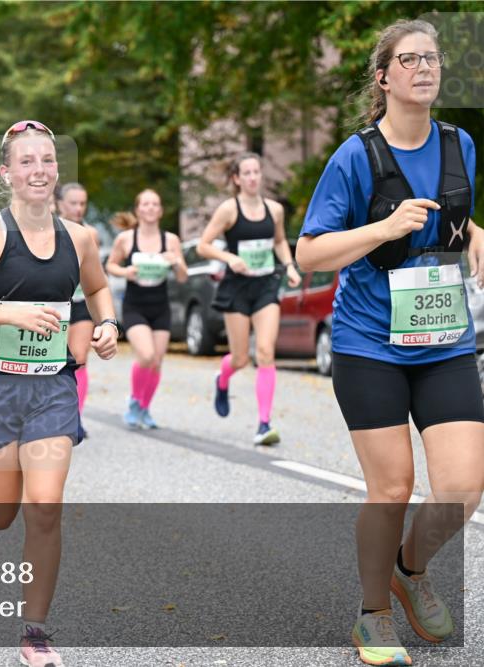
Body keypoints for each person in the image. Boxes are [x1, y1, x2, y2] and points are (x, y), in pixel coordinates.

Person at [296, 19, 483, 667]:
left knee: (464, 483)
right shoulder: (356, 156)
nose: (425, 67)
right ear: (384, 77)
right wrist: (380, 229)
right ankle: (374, 613)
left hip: (445, 338)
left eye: (432, 58)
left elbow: (446, 214)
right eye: (410, 59)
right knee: (393, 484)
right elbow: (311, 251)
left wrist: (473, 231)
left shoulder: (461, 144)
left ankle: (410, 567)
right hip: (369, 342)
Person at [0, 120, 118, 667]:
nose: (38, 170)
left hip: (51, 388)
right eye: (27, 162)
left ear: (57, 169)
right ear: (7, 173)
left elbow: (98, 287)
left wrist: (108, 324)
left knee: (44, 505)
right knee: (4, 509)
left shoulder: (79, 237)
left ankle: (34, 631)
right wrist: (9, 312)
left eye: (47, 160)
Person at [198, 153, 301, 445]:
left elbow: (279, 241)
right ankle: (223, 379)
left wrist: (290, 266)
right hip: (237, 288)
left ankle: (264, 424)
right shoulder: (229, 210)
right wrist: (229, 257)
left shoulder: (275, 210)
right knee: (241, 358)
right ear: (237, 179)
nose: (253, 177)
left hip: (266, 285)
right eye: (247, 173)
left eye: (257, 172)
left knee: (266, 351)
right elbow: (204, 246)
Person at [107, 189, 188, 429]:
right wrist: (125, 272)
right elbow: (111, 265)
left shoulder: (171, 240)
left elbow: (183, 277)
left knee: (157, 361)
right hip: (135, 306)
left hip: (160, 307)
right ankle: (134, 400)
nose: (151, 208)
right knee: (146, 356)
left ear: (161, 210)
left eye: (155, 204)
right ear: (138, 209)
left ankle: (144, 408)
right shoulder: (126, 239)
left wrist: (176, 262)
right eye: (146, 204)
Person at [55, 183, 104, 438]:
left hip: (80, 303)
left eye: (82, 204)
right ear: (60, 203)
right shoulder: (48, 229)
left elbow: (96, 278)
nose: (78, 208)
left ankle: (75, 417)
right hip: (55, 305)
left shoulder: (90, 233)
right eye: (73, 203)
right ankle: (54, 411)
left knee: (78, 357)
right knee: (53, 358)